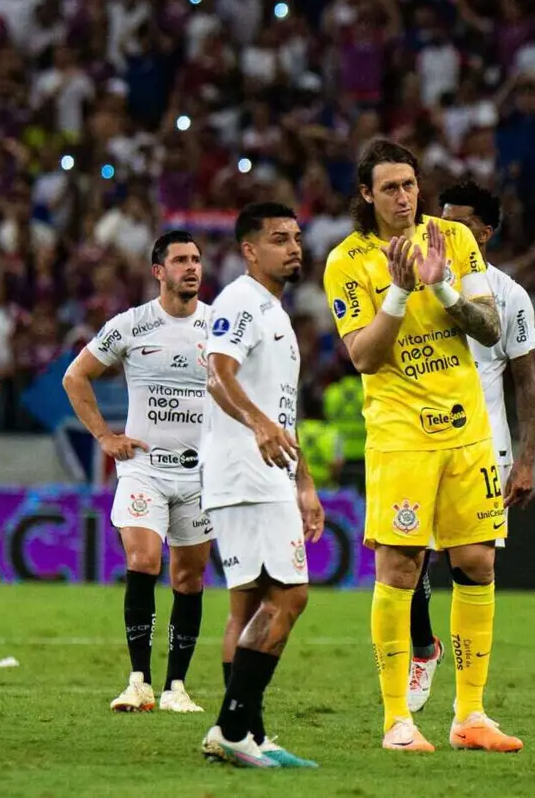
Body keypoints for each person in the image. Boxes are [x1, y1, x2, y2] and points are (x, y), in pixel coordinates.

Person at [322, 140, 523, 753]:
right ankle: (397, 722)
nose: (405, 197)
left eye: (410, 184)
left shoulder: (453, 241)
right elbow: (363, 355)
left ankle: (470, 715)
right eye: (390, 188)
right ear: (366, 195)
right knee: (401, 567)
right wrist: (401, 293)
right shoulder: (347, 261)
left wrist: (443, 290)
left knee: (478, 563)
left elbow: (490, 329)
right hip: (401, 435)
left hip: (467, 430)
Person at [62, 230, 214, 714]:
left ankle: (177, 688)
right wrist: (105, 437)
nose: (191, 268)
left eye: (196, 260)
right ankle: (138, 682)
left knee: (189, 580)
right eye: (180, 261)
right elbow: (75, 376)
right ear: (158, 271)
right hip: (142, 469)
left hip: (200, 475)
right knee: (145, 560)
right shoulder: (131, 325)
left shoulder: (219, 326)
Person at [405, 181, 535, 712]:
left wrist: (526, 459)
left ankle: (470, 701)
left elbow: (528, 381)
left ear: (482, 234)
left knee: (472, 565)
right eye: (437, 221)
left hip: (484, 447)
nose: (437, 232)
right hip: (421, 438)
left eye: (454, 224)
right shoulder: (414, 282)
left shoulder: (509, 296)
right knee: (412, 557)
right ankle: (423, 648)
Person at [200, 202, 324, 768]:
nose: (294, 247)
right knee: (290, 595)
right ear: (250, 250)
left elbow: (281, 409)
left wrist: (305, 482)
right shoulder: (240, 301)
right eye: (279, 238)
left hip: (266, 473)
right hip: (246, 472)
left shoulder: (274, 309)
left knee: (247, 605)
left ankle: (248, 734)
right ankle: (231, 728)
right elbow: (217, 371)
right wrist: (256, 425)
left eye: (296, 237)